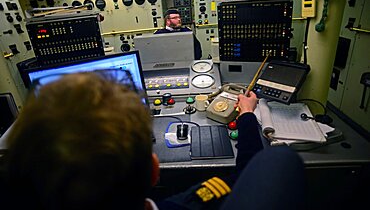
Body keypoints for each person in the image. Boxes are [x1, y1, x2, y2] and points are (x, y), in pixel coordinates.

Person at [0, 71, 305, 210]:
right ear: (153, 170)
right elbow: (251, 171)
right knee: (282, 159)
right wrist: (248, 114)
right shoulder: (190, 203)